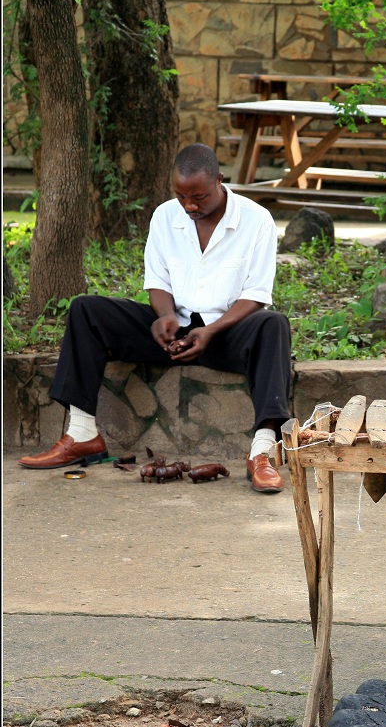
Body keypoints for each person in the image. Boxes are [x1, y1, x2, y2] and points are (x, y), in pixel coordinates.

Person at [18, 143, 292, 494]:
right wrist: (163, 318)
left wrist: (209, 331)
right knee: (87, 310)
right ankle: (83, 433)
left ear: (220, 181)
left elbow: (256, 294)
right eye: (181, 196)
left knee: (273, 325)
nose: (190, 205)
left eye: (199, 197)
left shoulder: (256, 220)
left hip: (226, 333)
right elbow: (158, 281)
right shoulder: (165, 215)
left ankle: (263, 452)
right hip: (174, 331)